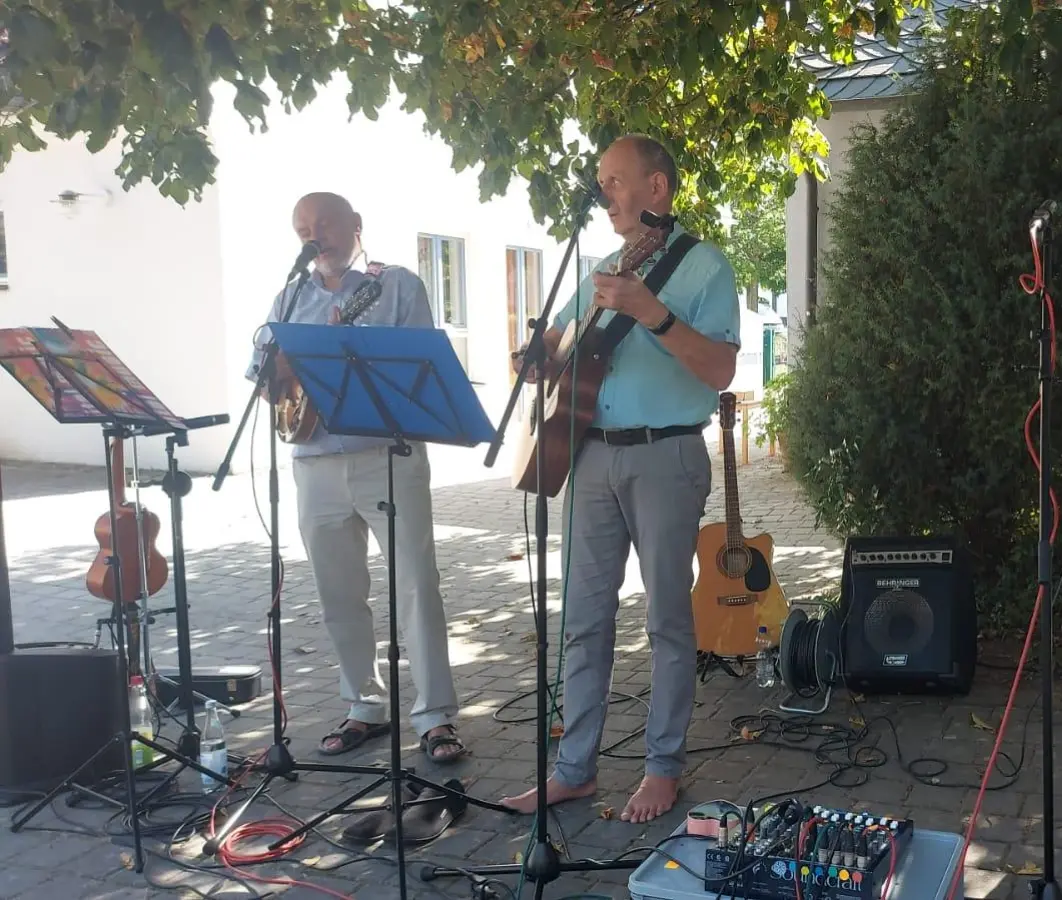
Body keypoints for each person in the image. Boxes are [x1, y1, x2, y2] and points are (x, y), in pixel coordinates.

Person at [499, 135, 740, 824]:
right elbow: (562, 337)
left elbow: (720, 370)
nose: (603, 192)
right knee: (583, 620)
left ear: (656, 188)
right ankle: (573, 769)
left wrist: (651, 313)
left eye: (615, 179)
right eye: (600, 181)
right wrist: (536, 353)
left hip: (665, 454)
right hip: (589, 453)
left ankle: (663, 767)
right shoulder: (604, 265)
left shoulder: (704, 266)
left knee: (666, 619)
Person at [246, 192, 467, 765]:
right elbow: (264, 380)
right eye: (303, 228)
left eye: (324, 224)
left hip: (386, 455)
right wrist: (283, 370)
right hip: (314, 461)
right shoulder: (290, 295)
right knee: (337, 593)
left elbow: (419, 368)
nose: (314, 236)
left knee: (417, 586)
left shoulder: (395, 286)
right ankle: (363, 704)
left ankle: (436, 716)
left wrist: (353, 350)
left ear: (355, 226)